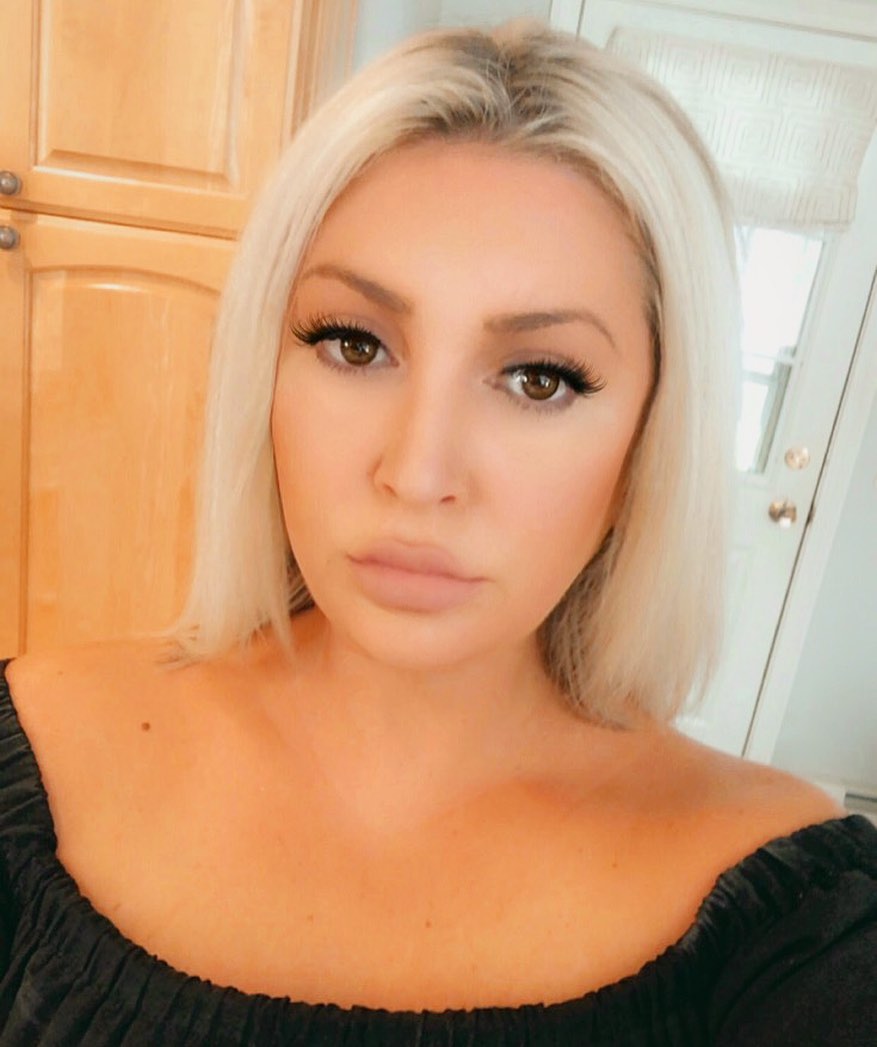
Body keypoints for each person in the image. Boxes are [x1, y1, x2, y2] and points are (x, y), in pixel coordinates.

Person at [1, 19, 875, 1047]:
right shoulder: (34, 749)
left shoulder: (798, 921)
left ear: (650, 439)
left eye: (539, 379)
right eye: (353, 343)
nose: (416, 474)